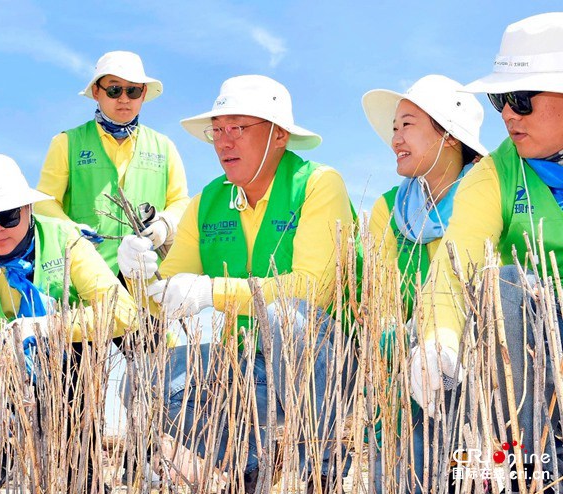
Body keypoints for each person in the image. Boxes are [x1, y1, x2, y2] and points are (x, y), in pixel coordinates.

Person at [118, 75, 357, 492]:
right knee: (139, 380)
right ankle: (250, 464)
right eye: (218, 130)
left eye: (238, 129)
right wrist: (139, 274)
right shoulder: (208, 200)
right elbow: (166, 294)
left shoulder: (319, 184)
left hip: (327, 367)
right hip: (249, 366)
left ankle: (323, 466)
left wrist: (211, 291)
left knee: (286, 316)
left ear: (279, 135)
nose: (223, 143)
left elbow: (310, 291)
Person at [410, 12, 563, 487]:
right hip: (542, 353)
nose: (507, 115)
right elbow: (456, 263)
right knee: (507, 286)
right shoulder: (494, 173)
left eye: (520, 99)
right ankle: (536, 472)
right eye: (500, 99)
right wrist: (438, 337)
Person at [0, 153, 137, 492]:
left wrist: (48, 327)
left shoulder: (66, 238)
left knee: (78, 470)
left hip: (64, 365)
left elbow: (123, 313)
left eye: (8, 215)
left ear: (28, 209)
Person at [35, 50, 190, 276]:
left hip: (148, 274)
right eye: (115, 89)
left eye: (133, 90)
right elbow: (44, 203)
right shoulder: (66, 142)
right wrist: (71, 231)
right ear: (97, 91)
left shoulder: (164, 146)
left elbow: (180, 201)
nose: (124, 99)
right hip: (87, 273)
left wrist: (165, 224)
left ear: (144, 93)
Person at [364, 74, 487, 318]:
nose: (395, 140)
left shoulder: (489, 195)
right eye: (394, 128)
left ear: (449, 136)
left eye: (407, 125)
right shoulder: (388, 208)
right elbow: (380, 309)